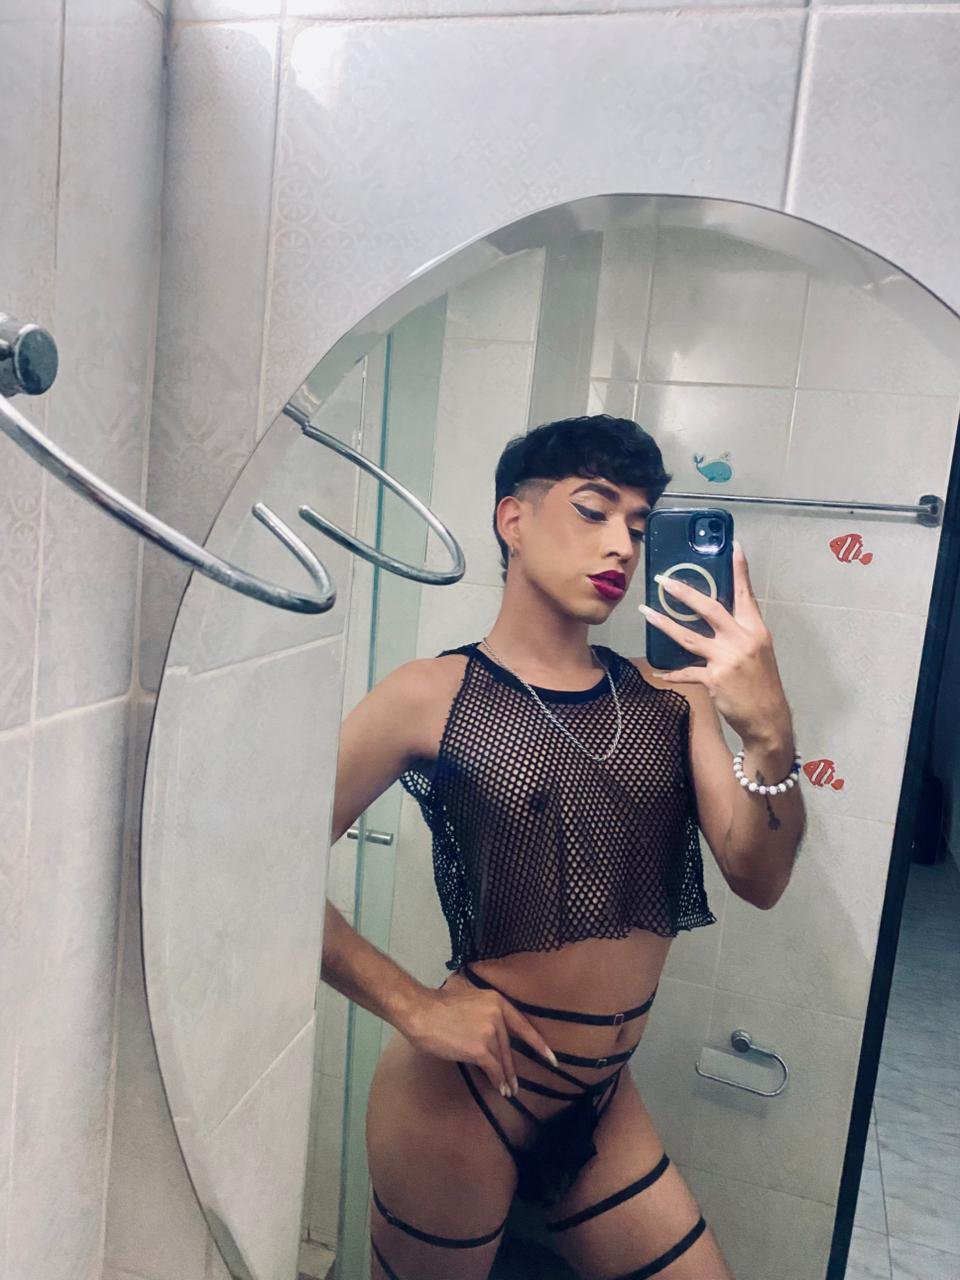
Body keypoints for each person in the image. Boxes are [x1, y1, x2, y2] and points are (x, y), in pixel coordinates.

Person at [323, 414, 805, 1280]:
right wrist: (415, 1007)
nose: (622, 543)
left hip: (602, 1098)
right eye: (594, 509)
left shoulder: (673, 695)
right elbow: (264, 866)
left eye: (638, 523)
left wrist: (770, 733)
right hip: (465, 1097)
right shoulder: (429, 695)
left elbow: (759, 877)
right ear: (513, 519)